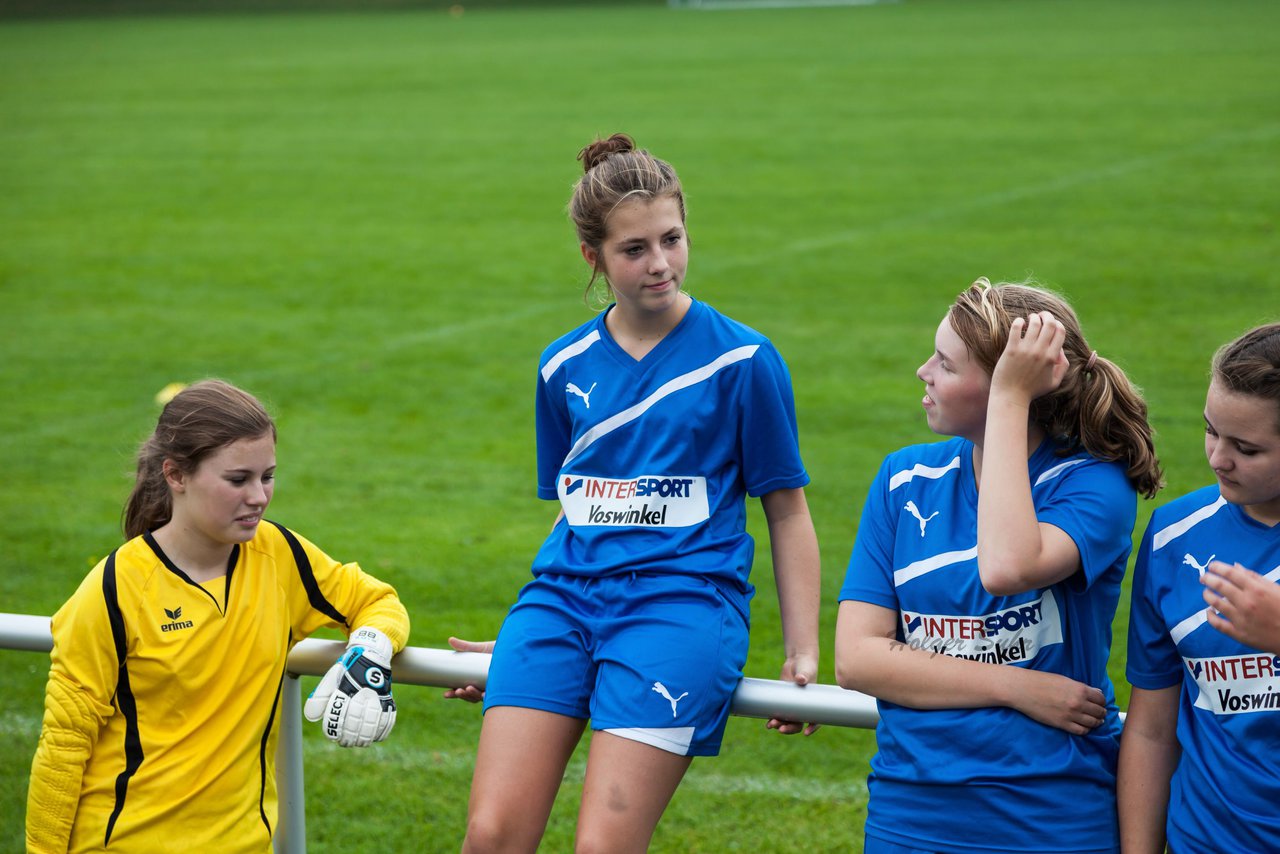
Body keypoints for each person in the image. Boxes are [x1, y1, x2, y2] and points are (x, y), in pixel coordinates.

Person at [459, 133, 821, 854]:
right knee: (492, 835)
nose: (660, 263)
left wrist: (803, 651)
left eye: (672, 239)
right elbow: (579, 506)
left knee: (603, 847)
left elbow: (787, 510)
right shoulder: (561, 365)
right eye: (634, 249)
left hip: (681, 609)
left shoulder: (744, 360)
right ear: (593, 257)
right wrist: (529, 637)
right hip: (560, 607)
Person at [834, 279, 1162, 854]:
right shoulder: (904, 479)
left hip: (1049, 817)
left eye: (945, 362)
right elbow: (857, 658)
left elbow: (1007, 566)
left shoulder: (1093, 484)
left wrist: (1009, 401)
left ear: (1008, 386)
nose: (922, 371)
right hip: (910, 813)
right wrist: (1016, 686)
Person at [26, 380, 410, 854]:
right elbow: (64, 746)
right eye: (238, 479)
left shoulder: (280, 554)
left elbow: (376, 600)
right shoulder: (114, 588)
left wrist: (368, 651)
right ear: (175, 475)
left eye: (267, 476)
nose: (259, 497)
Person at [1118, 322, 1280, 853]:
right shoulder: (1173, 536)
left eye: (1247, 448)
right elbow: (1151, 728)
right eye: (1211, 430)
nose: (1217, 459)